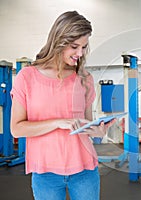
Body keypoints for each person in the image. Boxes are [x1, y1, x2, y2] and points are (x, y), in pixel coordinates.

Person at [10, 11, 113, 200]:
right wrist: (58, 122)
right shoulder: (27, 77)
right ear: (59, 41)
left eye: (83, 47)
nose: (80, 53)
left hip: (85, 171)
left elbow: (86, 124)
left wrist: (98, 131)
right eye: (75, 46)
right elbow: (16, 129)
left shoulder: (84, 78)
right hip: (45, 174)